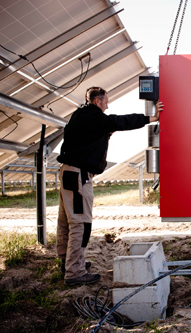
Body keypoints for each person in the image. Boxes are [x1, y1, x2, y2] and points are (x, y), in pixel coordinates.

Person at [56, 87, 163, 286]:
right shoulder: (95, 117)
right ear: (97, 101)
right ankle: (74, 273)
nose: (108, 104)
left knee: (66, 221)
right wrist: (150, 118)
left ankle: (67, 263)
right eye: (106, 101)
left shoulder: (81, 115)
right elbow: (119, 121)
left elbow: (94, 135)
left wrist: (108, 132)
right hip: (79, 175)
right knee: (81, 224)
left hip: (68, 173)